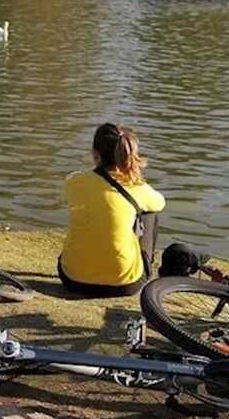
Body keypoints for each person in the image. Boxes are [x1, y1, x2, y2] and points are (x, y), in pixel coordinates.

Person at [58, 123, 165, 297]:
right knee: (149, 211)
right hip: (124, 284)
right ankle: (145, 264)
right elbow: (160, 202)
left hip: (72, 279)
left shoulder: (77, 183)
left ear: (95, 155)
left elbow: (70, 181)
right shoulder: (137, 187)